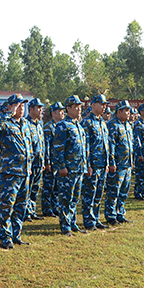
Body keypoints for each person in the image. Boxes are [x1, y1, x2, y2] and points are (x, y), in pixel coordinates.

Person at [0, 94, 33, 248]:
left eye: (22, 105)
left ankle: (16, 235)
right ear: (10, 107)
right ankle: (5, 238)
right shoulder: (5, 123)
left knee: (21, 207)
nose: (21, 108)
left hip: (24, 173)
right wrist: (9, 112)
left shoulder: (25, 124)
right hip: (9, 173)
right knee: (7, 207)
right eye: (17, 105)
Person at [51, 95, 89, 236]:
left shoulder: (78, 125)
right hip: (67, 170)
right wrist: (61, 166)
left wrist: (84, 166)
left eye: (80, 107)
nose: (79, 109)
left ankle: (72, 223)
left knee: (74, 198)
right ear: (68, 108)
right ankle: (65, 226)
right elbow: (58, 148)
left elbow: (82, 148)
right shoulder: (62, 126)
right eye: (76, 107)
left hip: (78, 169)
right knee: (65, 199)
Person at [81, 94, 109, 230]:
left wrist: (108, 162)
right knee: (89, 194)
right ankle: (88, 220)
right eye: (102, 104)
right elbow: (85, 146)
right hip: (93, 165)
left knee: (98, 194)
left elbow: (106, 145)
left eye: (105, 105)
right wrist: (87, 165)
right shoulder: (87, 123)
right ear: (93, 105)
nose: (104, 107)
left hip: (103, 164)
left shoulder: (102, 123)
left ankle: (96, 218)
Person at [105, 100, 133, 225]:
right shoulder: (112, 125)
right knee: (113, 191)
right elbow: (111, 145)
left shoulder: (127, 125)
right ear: (119, 111)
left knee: (124, 191)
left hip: (127, 164)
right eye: (126, 110)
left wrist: (131, 161)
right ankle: (111, 215)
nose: (129, 113)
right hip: (118, 164)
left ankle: (120, 213)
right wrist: (111, 162)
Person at [24, 98, 46, 220]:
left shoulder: (39, 124)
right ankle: (25, 212)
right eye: (39, 108)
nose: (41, 110)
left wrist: (43, 161)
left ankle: (32, 210)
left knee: (35, 188)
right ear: (31, 109)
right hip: (30, 163)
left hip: (38, 162)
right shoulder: (25, 123)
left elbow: (41, 144)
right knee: (27, 188)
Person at [41, 102, 64, 218]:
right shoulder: (48, 128)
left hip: (58, 162)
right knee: (48, 186)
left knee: (56, 186)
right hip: (51, 161)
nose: (63, 113)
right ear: (53, 113)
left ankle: (55, 207)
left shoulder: (61, 127)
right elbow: (46, 147)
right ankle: (46, 208)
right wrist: (47, 162)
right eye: (60, 111)